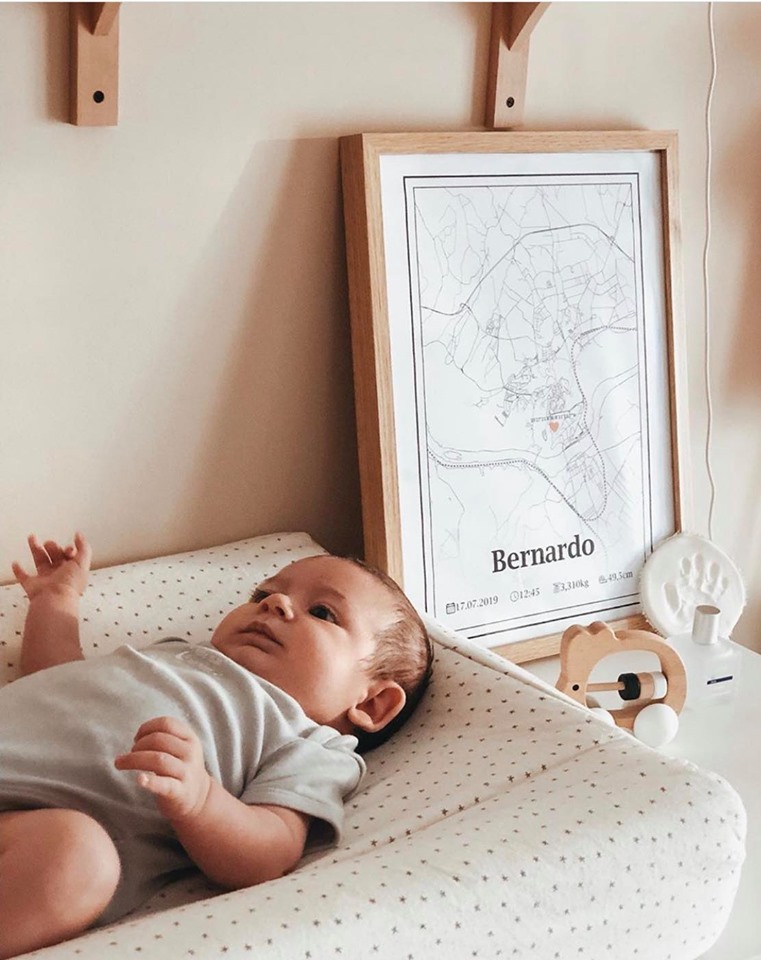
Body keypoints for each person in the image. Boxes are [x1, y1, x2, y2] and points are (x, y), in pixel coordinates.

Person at [0, 533, 433, 959]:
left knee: (78, 858)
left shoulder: (311, 743)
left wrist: (201, 799)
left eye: (322, 612)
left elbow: (270, 851)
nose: (275, 603)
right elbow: (54, 675)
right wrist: (55, 600)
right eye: (264, 593)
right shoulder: (175, 653)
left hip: (28, 826)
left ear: (372, 703)